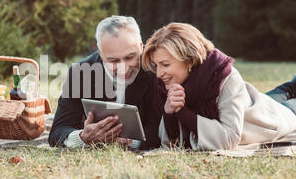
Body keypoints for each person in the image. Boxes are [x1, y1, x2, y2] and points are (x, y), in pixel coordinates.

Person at [141, 22, 296, 150]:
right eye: (156, 66)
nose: (159, 74)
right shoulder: (168, 86)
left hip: (276, 117)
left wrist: (182, 112)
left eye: (165, 65)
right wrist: (169, 113)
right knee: (286, 90)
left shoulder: (222, 76)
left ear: (188, 59)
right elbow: (173, 145)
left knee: (290, 102)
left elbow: (228, 139)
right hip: (254, 103)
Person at [48, 16, 161, 150]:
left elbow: (159, 130)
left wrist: (128, 142)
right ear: (101, 54)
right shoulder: (81, 72)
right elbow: (57, 131)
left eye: (130, 57)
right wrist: (83, 137)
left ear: (141, 47)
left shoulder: (156, 71)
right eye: (113, 60)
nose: (123, 69)